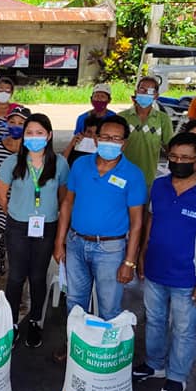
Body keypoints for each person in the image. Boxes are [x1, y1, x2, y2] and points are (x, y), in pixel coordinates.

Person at [133, 132, 196, 391]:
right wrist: (142, 253)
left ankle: (176, 377)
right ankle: (154, 364)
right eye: (173, 157)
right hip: (154, 269)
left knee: (184, 328)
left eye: (186, 158)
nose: (178, 162)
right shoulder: (160, 186)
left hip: (189, 276)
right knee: (154, 320)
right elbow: (151, 223)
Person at [56, 116, 146, 327]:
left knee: (109, 308)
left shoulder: (133, 175)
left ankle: (106, 355)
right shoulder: (80, 165)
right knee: (75, 303)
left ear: (124, 143)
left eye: (116, 138)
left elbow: (136, 222)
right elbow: (68, 203)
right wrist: (59, 242)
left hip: (111, 249)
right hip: (76, 244)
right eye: (105, 137)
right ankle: (75, 349)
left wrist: (129, 262)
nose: (110, 142)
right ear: (96, 139)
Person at [0, 112, 70, 348]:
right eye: (30, 133)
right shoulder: (12, 162)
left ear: (49, 136)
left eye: (40, 133)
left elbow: (63, 196)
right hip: (18, 225)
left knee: (38, 276)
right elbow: (1, 192)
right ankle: (12, 324)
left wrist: (55, 218)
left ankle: (36, 321)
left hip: (46, 226)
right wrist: (15, 211)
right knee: (16, 276)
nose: (34, 137)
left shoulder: (59, 163)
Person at [0, 107, 28, 302]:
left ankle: (16, 293)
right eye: (12, 122)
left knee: (20, 257)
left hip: (22, 215)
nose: (16, 126)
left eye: (21, 123)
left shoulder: (32, 152)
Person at [120, 76, 174, 188]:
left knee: (143, 204)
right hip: (122, 174)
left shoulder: (163, 119)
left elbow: (169, 146)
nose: (145, 93)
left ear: (156, 96)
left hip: (147, 177)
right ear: (136, 92)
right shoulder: (122, 117)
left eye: (150, 91)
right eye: (142, 89)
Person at [64, 82, 116, 160]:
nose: (99, 99)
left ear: (109, 100)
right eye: (96, 96)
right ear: (91, 99)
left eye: (102, 96)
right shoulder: (82, 118)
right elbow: (77, 138)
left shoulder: (114, 118)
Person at [0, 77, 23, 143]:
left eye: (7, 91)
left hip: (12, 147)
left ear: (11, 93)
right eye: (1, 90)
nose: (3, 93)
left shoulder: (18, 110)